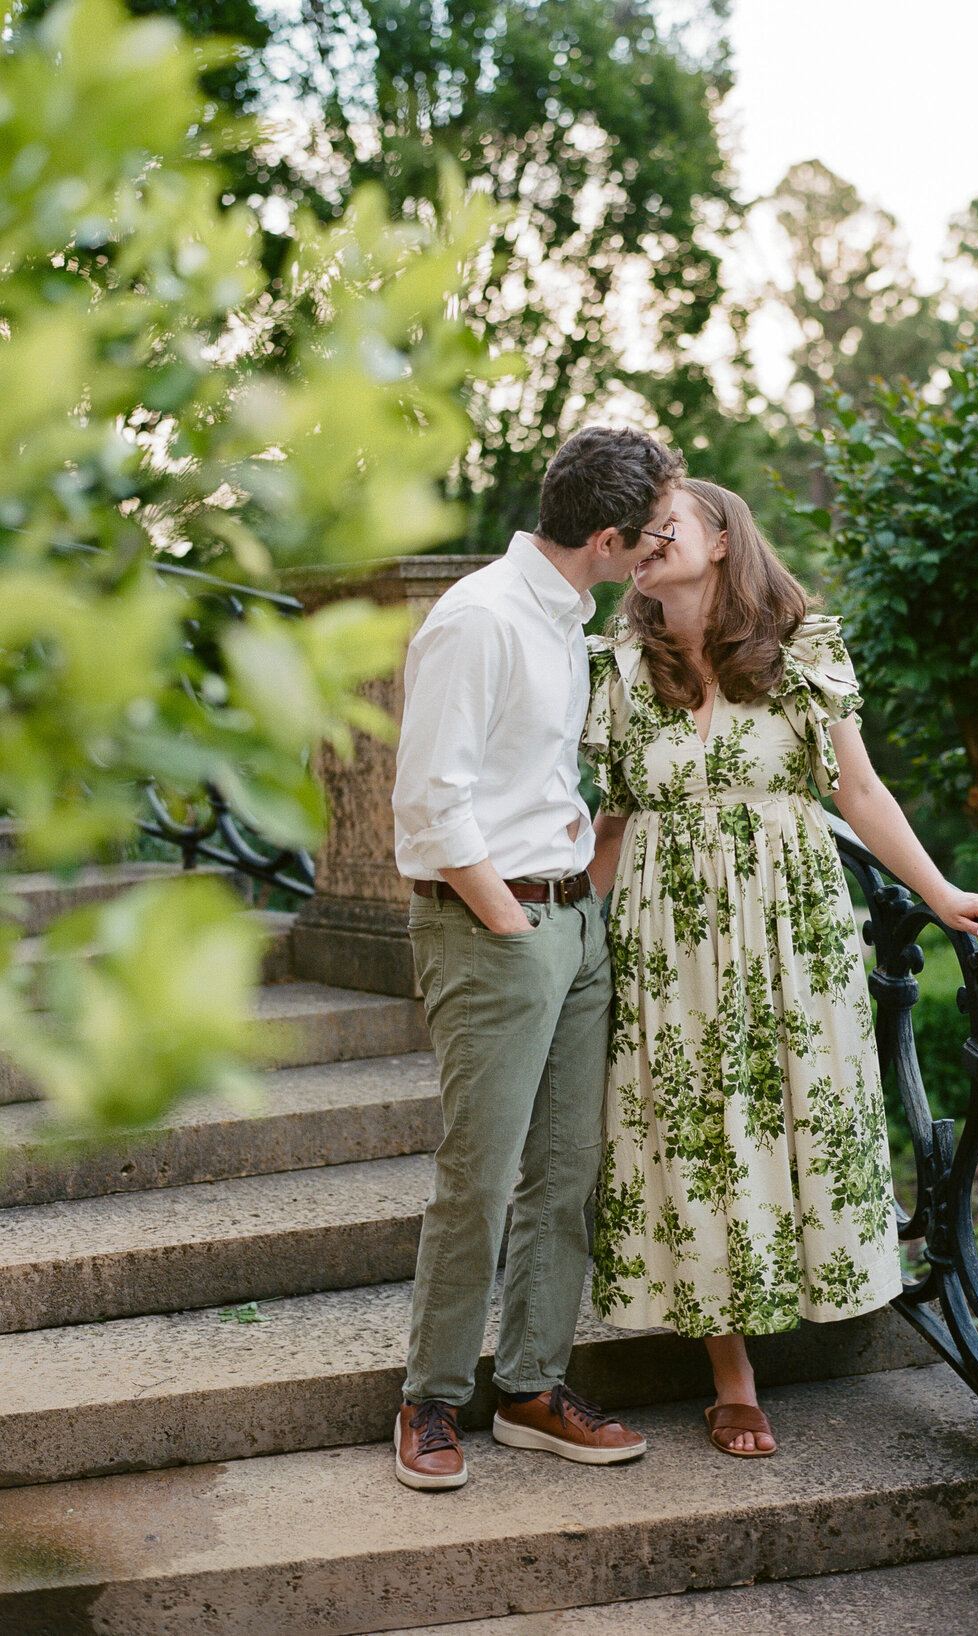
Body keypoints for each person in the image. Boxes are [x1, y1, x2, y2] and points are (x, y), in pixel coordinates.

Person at [584, 478, 978, 1457]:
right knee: (688, 1132)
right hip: (667, 939)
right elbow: (612, 819)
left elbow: (859, 792)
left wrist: (942, 895)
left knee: (788, 1111)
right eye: (641, 530)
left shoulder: (802, 650)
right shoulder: (619, 665)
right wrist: (567, 935)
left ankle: (807, 1288)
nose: (649, 540)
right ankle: (730, 1372)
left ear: (723, 539)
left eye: (669, 523)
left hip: (788, 928)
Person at [390, 425, 684, 1489]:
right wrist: (511, 924)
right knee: (479, 1175)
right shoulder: (479, 619)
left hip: (574, 924)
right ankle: (430, 1397)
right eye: (650, 536)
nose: (656, 552)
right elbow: (429, 801)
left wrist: (576, 910)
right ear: (606, 538)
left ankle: (529, 1385)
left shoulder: (572, 620)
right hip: (491, 927)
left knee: (567, 1170)